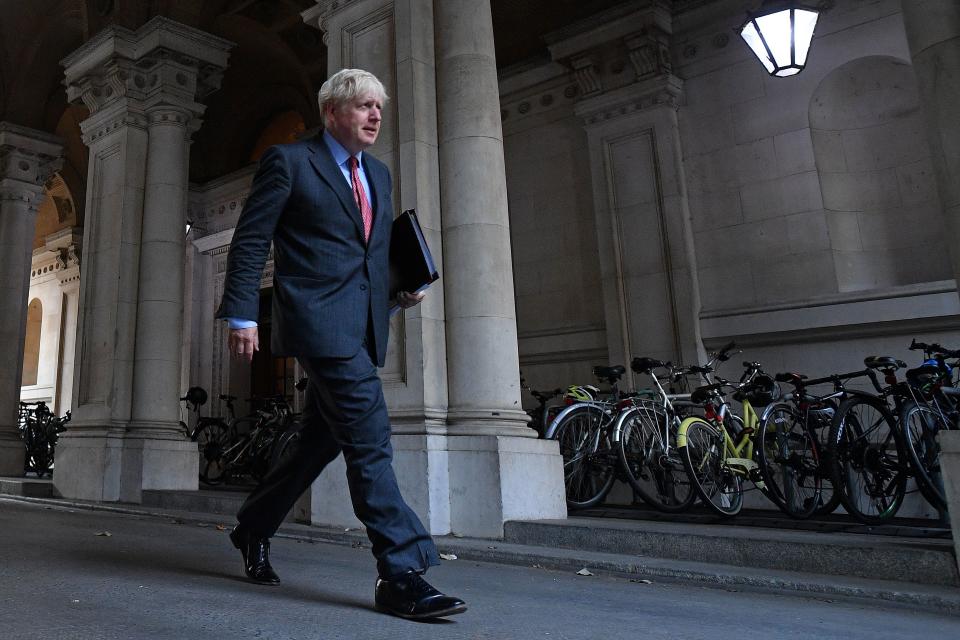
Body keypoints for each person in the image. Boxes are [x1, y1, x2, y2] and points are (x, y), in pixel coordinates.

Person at [216, 68, 466, 620]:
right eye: (364, 106)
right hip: (317, 322)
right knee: (371, 435)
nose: (376, 116)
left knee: (318, 444)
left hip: (365, 322)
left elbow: (367, 252)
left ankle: (253, 526)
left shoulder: (378, 174)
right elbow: (253, 238)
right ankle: (400, 571)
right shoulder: (289, 162)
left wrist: (400, 289)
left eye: (380, 106)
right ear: (332, 112)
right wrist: (240, 314)